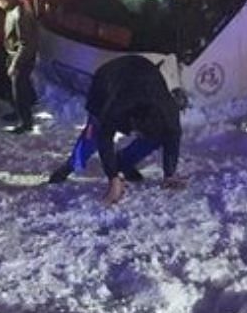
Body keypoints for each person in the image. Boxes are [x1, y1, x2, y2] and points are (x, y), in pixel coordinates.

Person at [48, 55, 186, 205]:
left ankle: (124, 162)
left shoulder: (168, 111)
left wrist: (169, 174)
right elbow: (104, 138)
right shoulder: (116, 108)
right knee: (93, 133)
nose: (136, 136)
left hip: (142, 75)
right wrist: (112, 178)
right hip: (105, 83)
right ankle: (71, 165)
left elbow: (173, 135)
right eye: (139, 133)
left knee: (157, 138)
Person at [0, 0, 38, 133]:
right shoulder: (13, 9)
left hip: (20, 58)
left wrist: (15, 64)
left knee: (19, 90)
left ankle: (26, 121)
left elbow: (25, 44)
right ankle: (19, 112)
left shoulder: (19, 15)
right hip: (14, 55)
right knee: (18, 88)